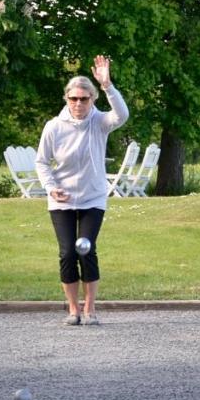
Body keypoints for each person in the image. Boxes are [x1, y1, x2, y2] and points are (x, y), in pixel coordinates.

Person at [34, 55, 128, 326]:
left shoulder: (100, 123)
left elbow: (122, 115)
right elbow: (41, 162)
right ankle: (73, 310)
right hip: (62, 200)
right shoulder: (53, 127)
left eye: (84, 99)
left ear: (92, 100)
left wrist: (108, 85)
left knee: (86, 249)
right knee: (67, 253)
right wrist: (51, 189)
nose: (78, 104)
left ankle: (90, 309)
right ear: (66, 99)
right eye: (73, 99)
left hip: (93, 198)